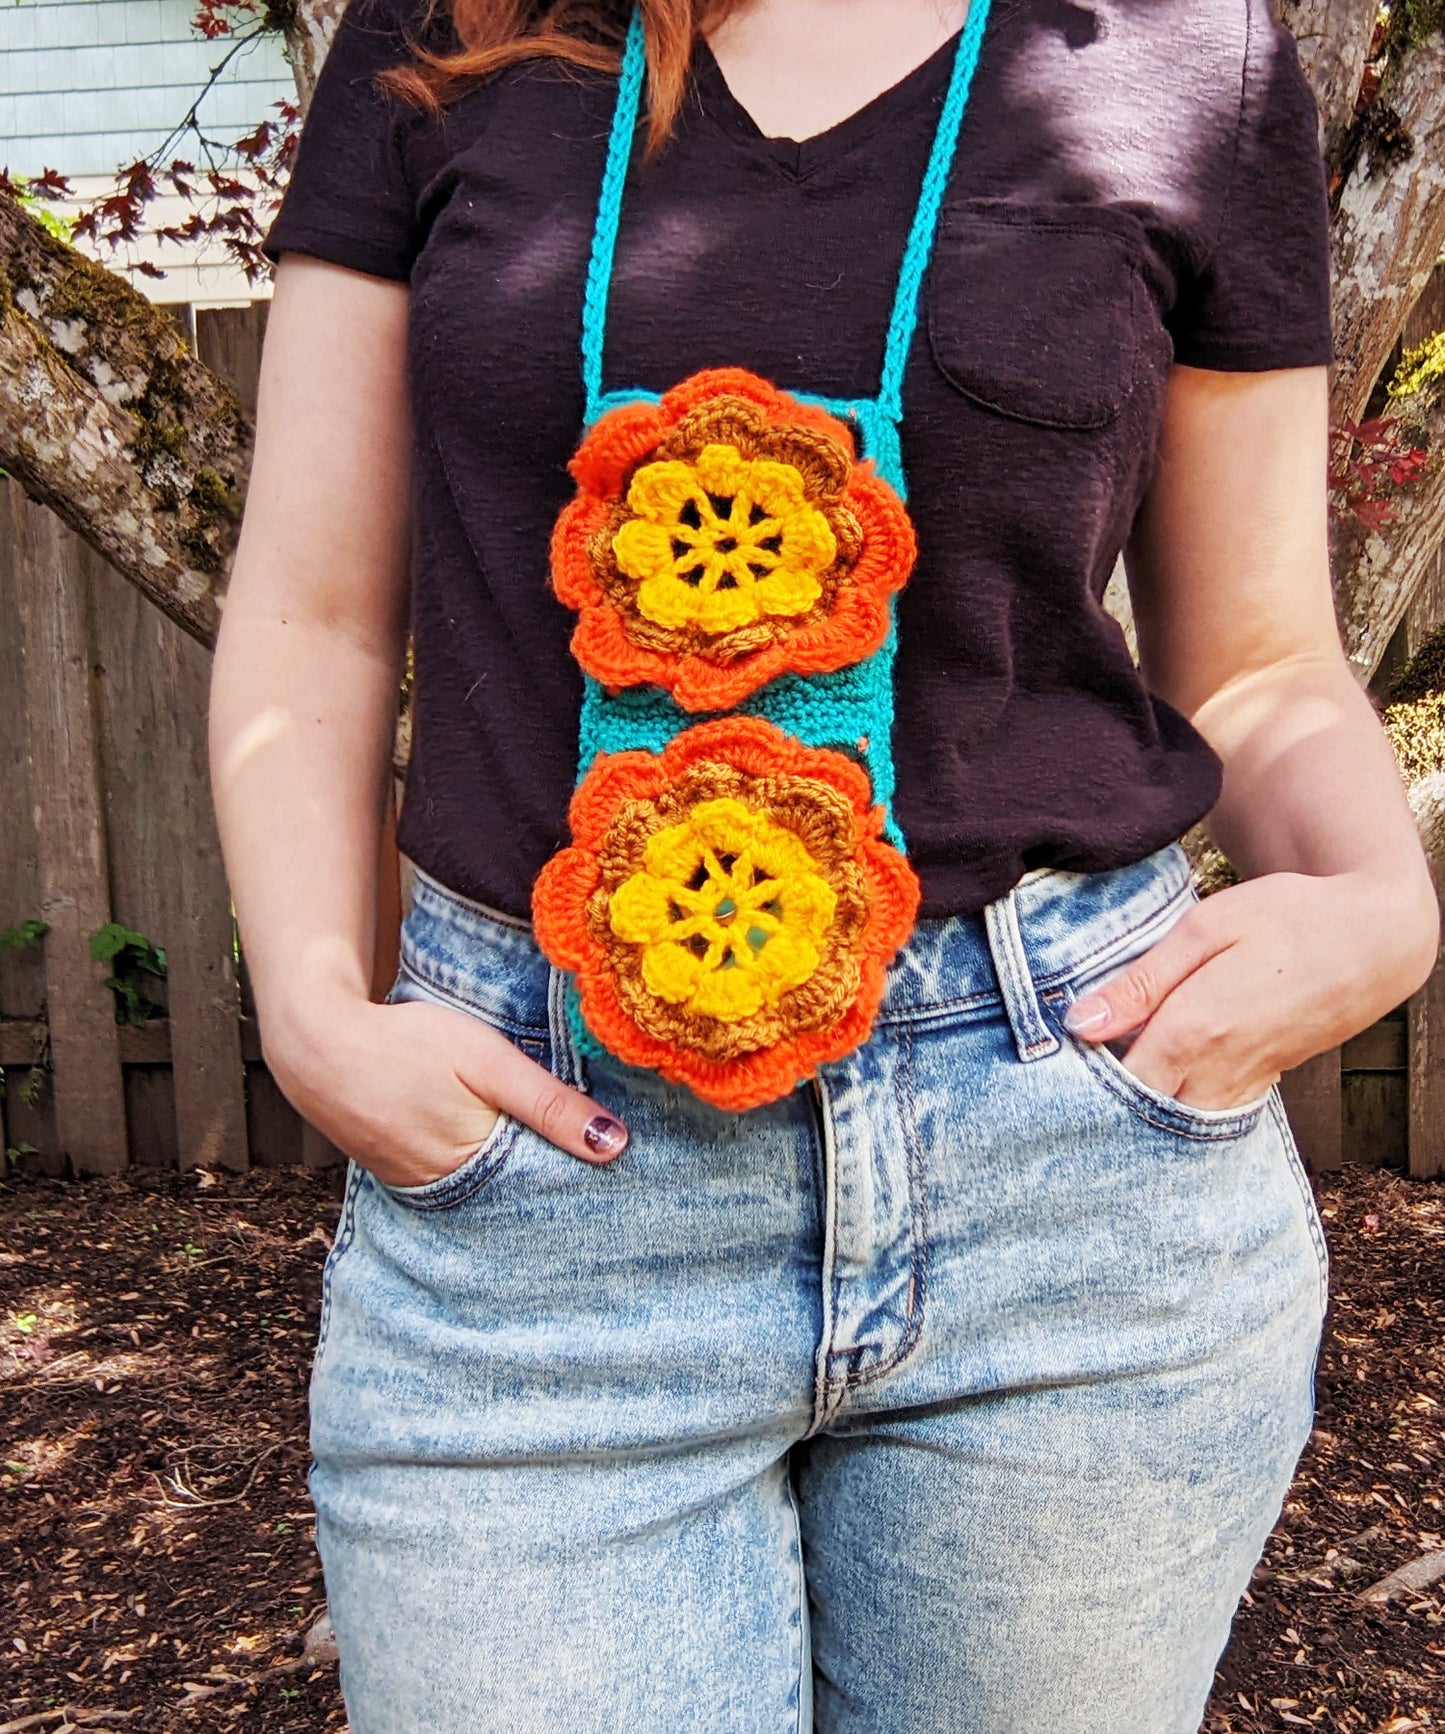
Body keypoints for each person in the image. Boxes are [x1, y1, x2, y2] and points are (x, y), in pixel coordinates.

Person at [208, 0, 1439, 1728]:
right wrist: (312, 1007)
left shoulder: (1189, 54)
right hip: (540, 1183)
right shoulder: (456, 27)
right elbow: (314, 611)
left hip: (1067, 1166)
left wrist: (1383, 902)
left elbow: (1251, 656)